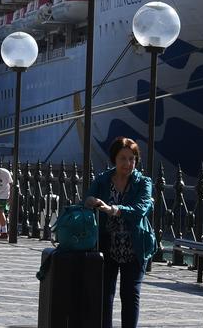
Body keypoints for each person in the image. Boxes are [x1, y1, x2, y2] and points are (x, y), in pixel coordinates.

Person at [84, 136, 157, 328]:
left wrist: (113, 210)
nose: (128, 163)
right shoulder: (103, 180)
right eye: (123, 158)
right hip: (108, 244)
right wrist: (91, 201)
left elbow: (140, 210)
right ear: (114, 159)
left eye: (132, 158)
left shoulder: (143, 183)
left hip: (135, 245)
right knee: (105, 295)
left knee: (130, 293)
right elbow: (86, 198)